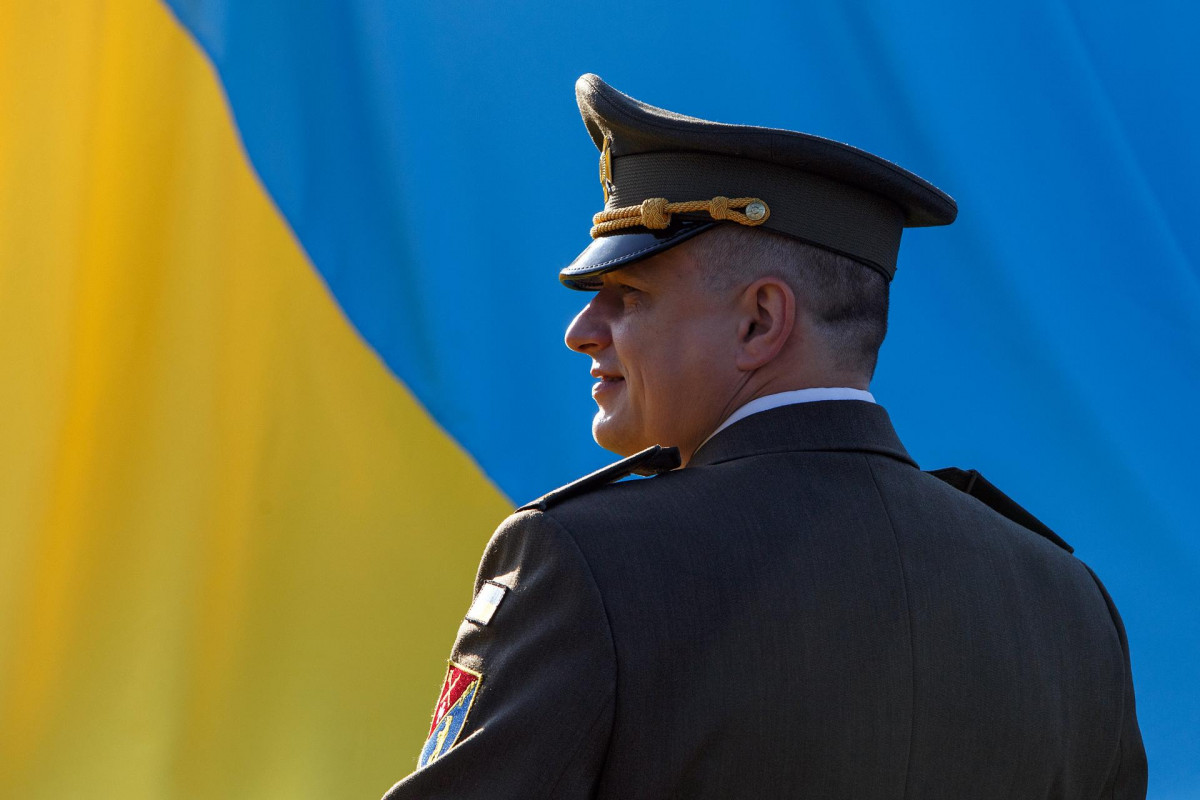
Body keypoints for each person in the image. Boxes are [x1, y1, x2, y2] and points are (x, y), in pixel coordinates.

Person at [381, 74, 1146, 799]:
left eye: (629, 294)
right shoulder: (1071, 608)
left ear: (760, 321)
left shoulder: (586, 567)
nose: (583, 332)